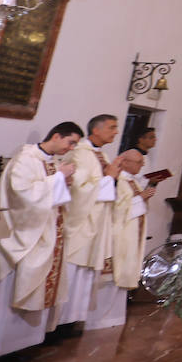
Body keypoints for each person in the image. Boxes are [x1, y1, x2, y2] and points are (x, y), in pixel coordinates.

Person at [0, 122, 81, 358]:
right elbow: (21, 194)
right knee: (17, 287)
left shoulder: (51, 162)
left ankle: (23, 344)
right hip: (24, 236)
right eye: (70, 142)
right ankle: (0, 349)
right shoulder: (25, 158)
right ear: (56, 135)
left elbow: (50, 195)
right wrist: (59, 178)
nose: (70, 148)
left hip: (47, 235)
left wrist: (62, 181)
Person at [53, 114, 121, 331]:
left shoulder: (101, 155)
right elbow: (78, 191)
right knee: (71, 274)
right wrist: (110, 178)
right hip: (80, 225)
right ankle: (58, 324)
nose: (116, 132)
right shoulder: (80, 153)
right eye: (111, 127)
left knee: (84, 277)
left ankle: (72, 321)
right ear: (96, 130)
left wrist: (112, 178)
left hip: (95, 226)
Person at [110, 151, 152, 292]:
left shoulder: (132, 181)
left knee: (131, 261)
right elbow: (117, 208)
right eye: (139, 162)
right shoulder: (118, 181)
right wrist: (141, 198)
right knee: (121, 264)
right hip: (122, 231)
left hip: (134, 231)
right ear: (125, 162)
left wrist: (143, 198)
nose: (143, 165)